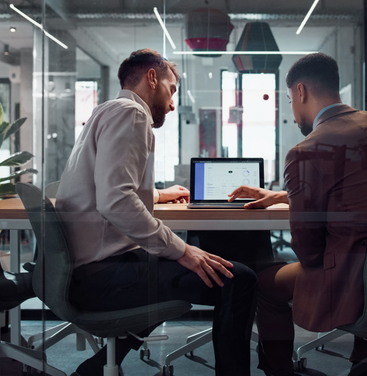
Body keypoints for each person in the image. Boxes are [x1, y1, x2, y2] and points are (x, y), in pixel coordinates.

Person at [55, 48, 258, 376]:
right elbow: (116, 201)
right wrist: (183, 250)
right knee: (240, 279)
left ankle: (94, 368)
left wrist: (161, 195)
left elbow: (106, 184)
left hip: (80, 270)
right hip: (100, 276)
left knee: (165, 267)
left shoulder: (106, 110)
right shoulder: (131, 114)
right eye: (172, 89)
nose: (173, 103)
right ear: (153, 78)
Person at [230, 53, 367, 376]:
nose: (293, 109)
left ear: (300, 92)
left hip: (346, 279)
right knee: (362, 253)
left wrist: (304, 202)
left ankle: (279, 372)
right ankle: (362, 361)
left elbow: (309, 251)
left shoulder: (306, 150)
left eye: (289, 100)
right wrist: (283, 196)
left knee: (263, 284)